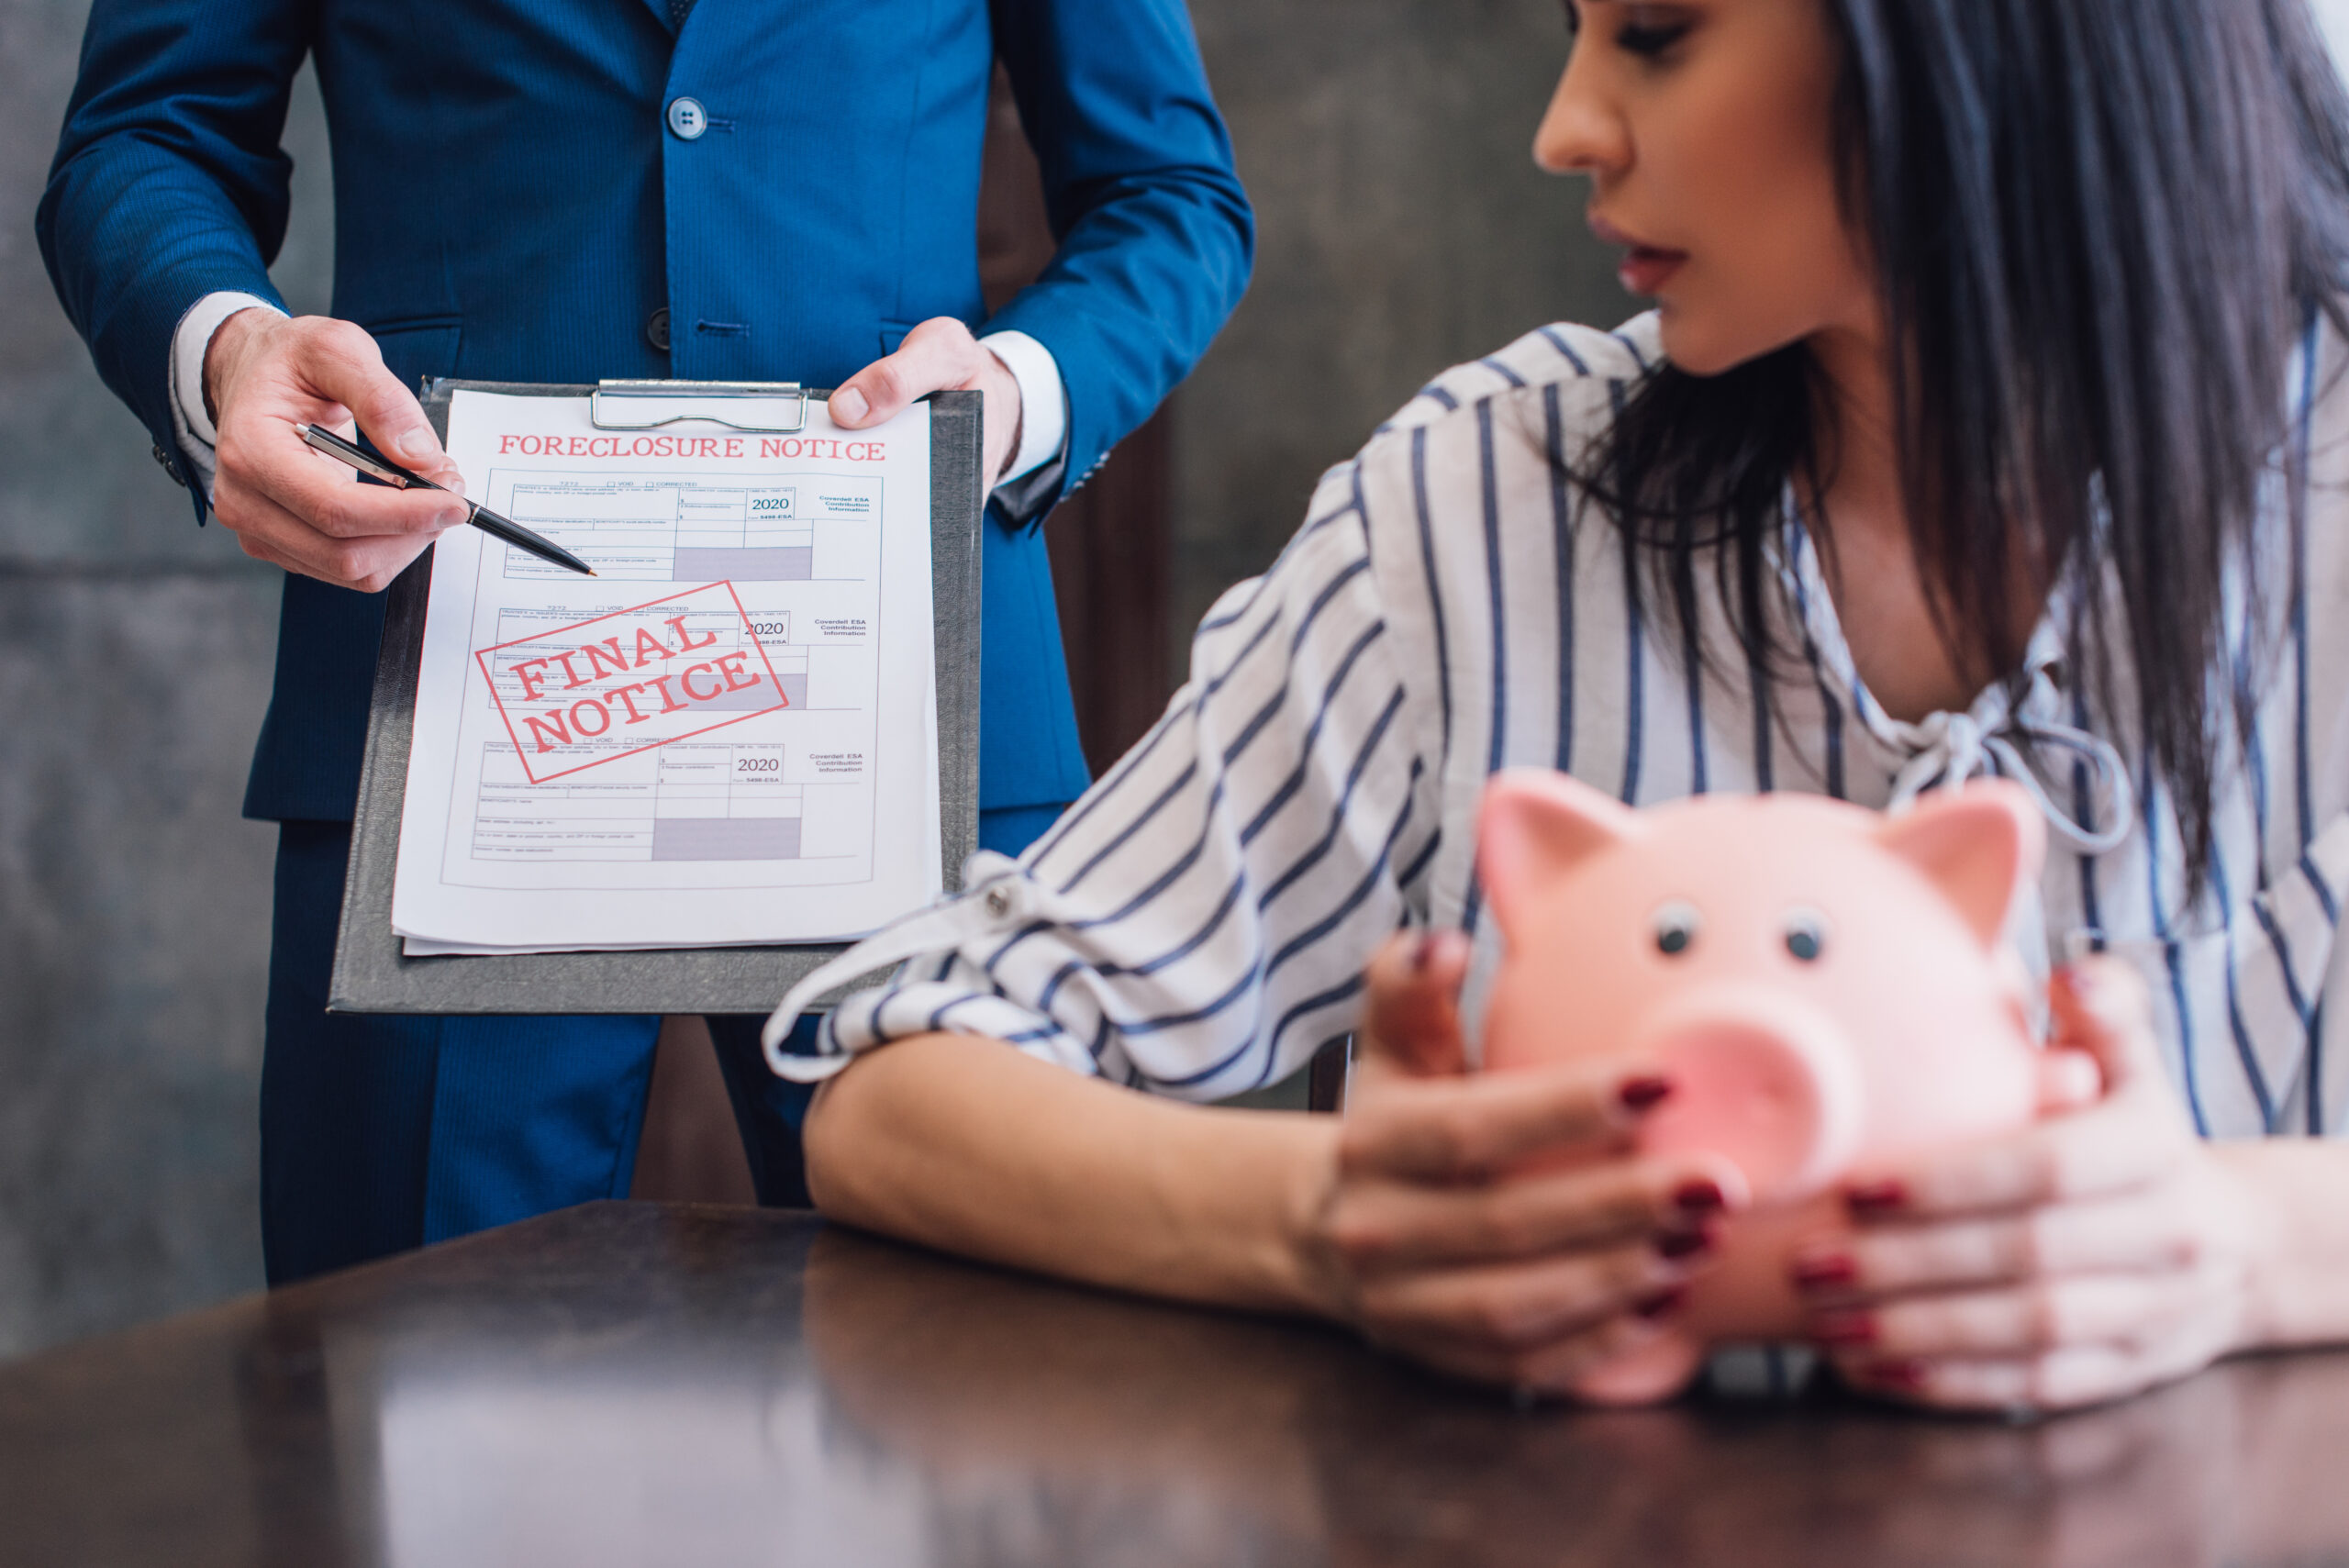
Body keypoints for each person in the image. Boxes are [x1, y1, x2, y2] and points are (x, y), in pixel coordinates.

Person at [762, 0, 2349, 1412]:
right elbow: (895, 1085)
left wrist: (2243, 1244)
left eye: (1655, 34)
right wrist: (1332, 1217)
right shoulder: (1486, 501)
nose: (1565, 130)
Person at [38, 0, 1252, 1282]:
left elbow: (1172, 196)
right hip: (450, 678)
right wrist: (228, 350)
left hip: (906, 687)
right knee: (416, 1416)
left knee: (980, 1399)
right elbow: (139, 137)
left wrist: (1014, 395)